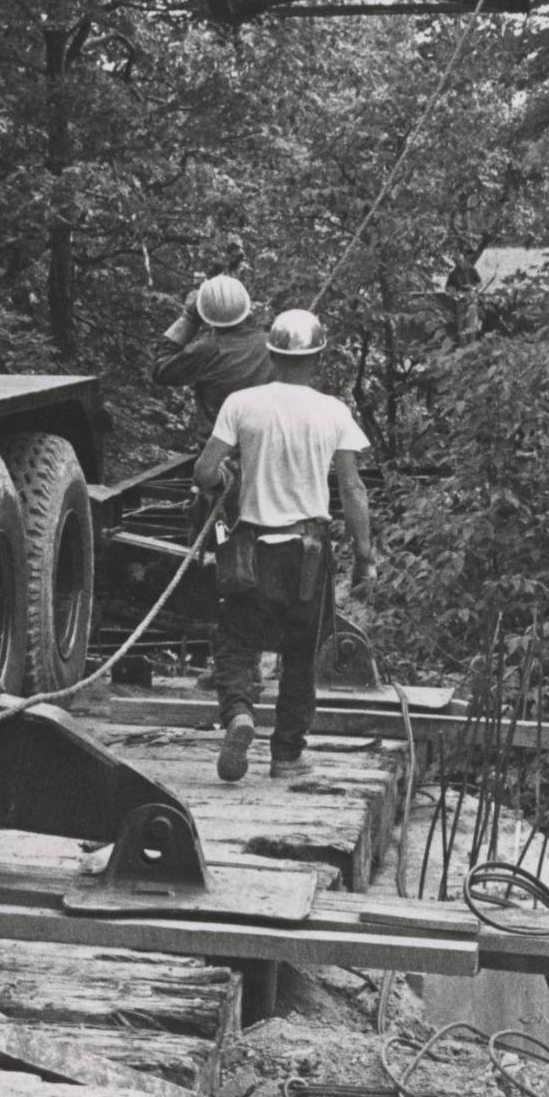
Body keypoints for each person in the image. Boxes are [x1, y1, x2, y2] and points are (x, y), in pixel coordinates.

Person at [193, 308, 375, 784]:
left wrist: (227, 477)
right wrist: (364, 558)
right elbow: (353, 491)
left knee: (235, 641)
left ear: (271, 354)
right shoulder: (334, 412)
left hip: (253, 550)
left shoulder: (241, 403)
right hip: (308, 554)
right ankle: (287, 754)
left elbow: (204, 473)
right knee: (299, 654)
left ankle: (238, 714)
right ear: (317, 358)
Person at [155, 273, 275, 426]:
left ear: (204, 313)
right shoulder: (273, 345)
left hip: (219, 448)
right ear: (246, 306)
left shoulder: (205, 351)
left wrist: (189, 318)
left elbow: (160, 370)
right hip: (267, 445)